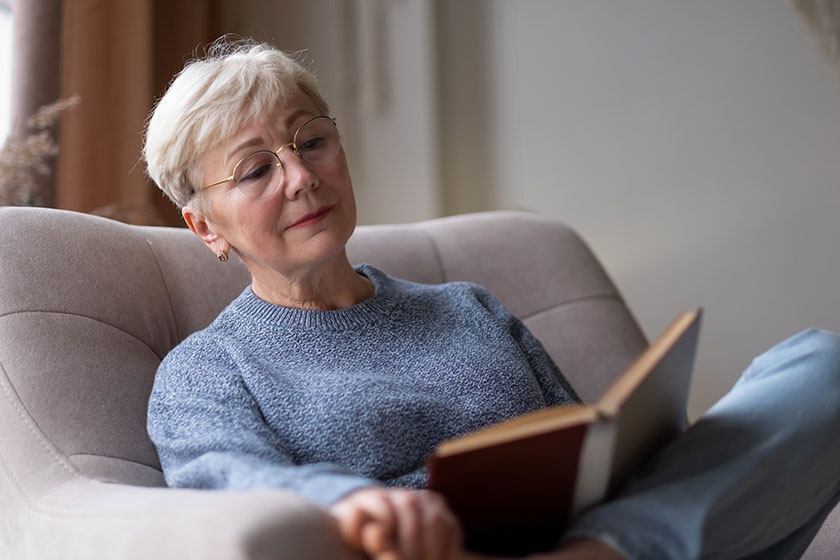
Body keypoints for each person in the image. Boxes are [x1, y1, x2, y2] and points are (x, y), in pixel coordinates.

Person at [143, 37, 840, 560]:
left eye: (312, 141)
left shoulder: (466, 306)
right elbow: (229, 486)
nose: (300, 176)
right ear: (205, 226)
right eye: (257, 169)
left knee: (820, 368)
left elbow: (583, 446)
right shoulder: (207, 369)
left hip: (591, 533)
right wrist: (355, 500)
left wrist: (632, 442)